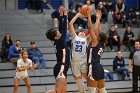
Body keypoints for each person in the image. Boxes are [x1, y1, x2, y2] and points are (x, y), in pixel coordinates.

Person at [46, 6, 69, 93]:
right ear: (56, 37)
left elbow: (60, 28)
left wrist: (61, 15)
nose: (59, 32)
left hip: (62, 67)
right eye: (58, 33)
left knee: (63, 92)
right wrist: (65, 15)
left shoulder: (58, 41)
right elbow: (64, 29)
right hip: (61, 67)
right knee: (58, 91)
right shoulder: (60, 41)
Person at [69, 12, 90, 93]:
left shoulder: (86, 40)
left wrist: (88, 17)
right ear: (78, 33)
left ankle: (95, 90)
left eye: (84, 32)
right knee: (78, 80)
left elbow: (93, 30)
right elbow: (70, 24)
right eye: (81, 31)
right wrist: (78, 15)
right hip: (74, 62)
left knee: (88, 79)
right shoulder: (75, 37)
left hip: (83, 62)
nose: (82, 32)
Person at [87, 10, 108, 93]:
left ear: (98, 38)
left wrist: (89, 16)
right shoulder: (103, 44)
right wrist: (98, 19)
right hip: (99, 67)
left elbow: (92, 29)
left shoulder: (95, 42)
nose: (96, 34)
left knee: (92, 91)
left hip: (93, 67)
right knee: (102, 90)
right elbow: (98, 30)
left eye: (97, 35)